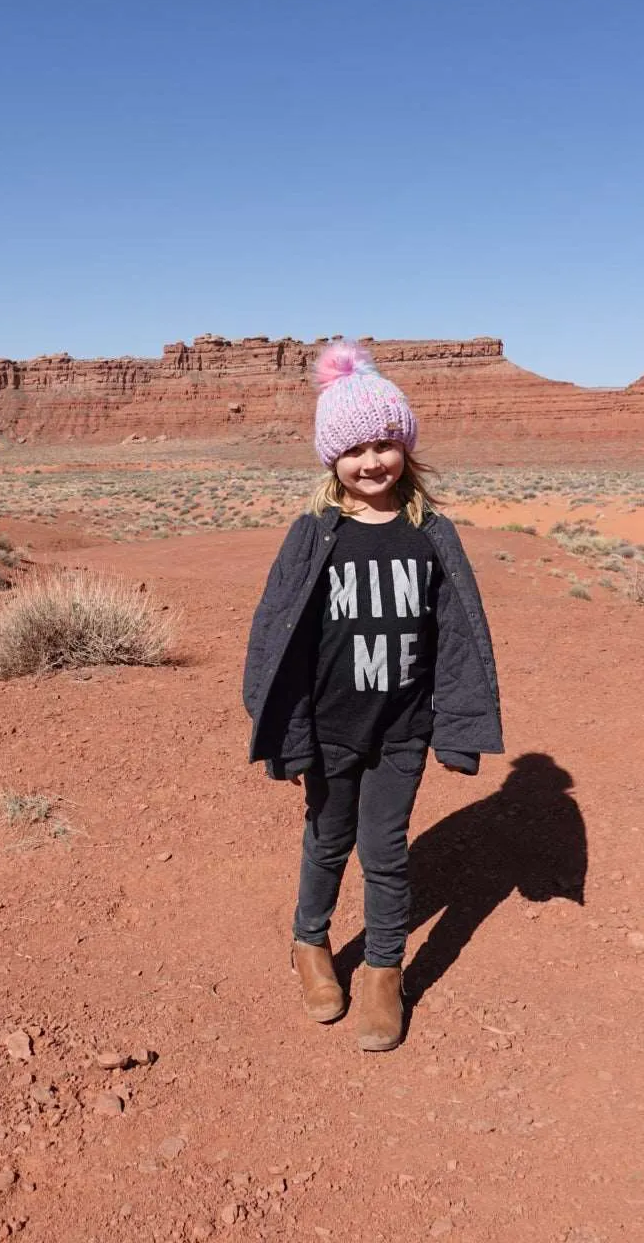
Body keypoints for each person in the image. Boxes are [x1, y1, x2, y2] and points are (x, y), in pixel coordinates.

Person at [242, 340, 503, 1051]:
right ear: (332, 458)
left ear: (406, 449)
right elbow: (276, 640)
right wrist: (288, 733)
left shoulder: (431, 536)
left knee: (386, 850)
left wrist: (457, 726)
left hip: (400, 728)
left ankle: (385, 972)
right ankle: (310, 944)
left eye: (386, 442)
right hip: (330, 728)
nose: (372, 460)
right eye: (354, 447)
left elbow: (458, 636)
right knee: (328, 840)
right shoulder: (312, 537)